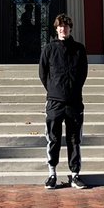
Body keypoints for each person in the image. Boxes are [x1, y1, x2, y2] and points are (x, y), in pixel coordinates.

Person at [38, 13, 88, 189]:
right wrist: (53, 90)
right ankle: (52, 174)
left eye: (66, 26)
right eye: (60, 26)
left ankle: (75, 175)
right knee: (53, 139)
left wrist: (74, 89)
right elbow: (43, 74)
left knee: (75, 139)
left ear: (70, 28)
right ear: (56, 28)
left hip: (74, 102)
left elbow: (82, 74)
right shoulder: (49, 49)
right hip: (54, 102)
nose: (63, 29)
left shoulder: (79, 49)